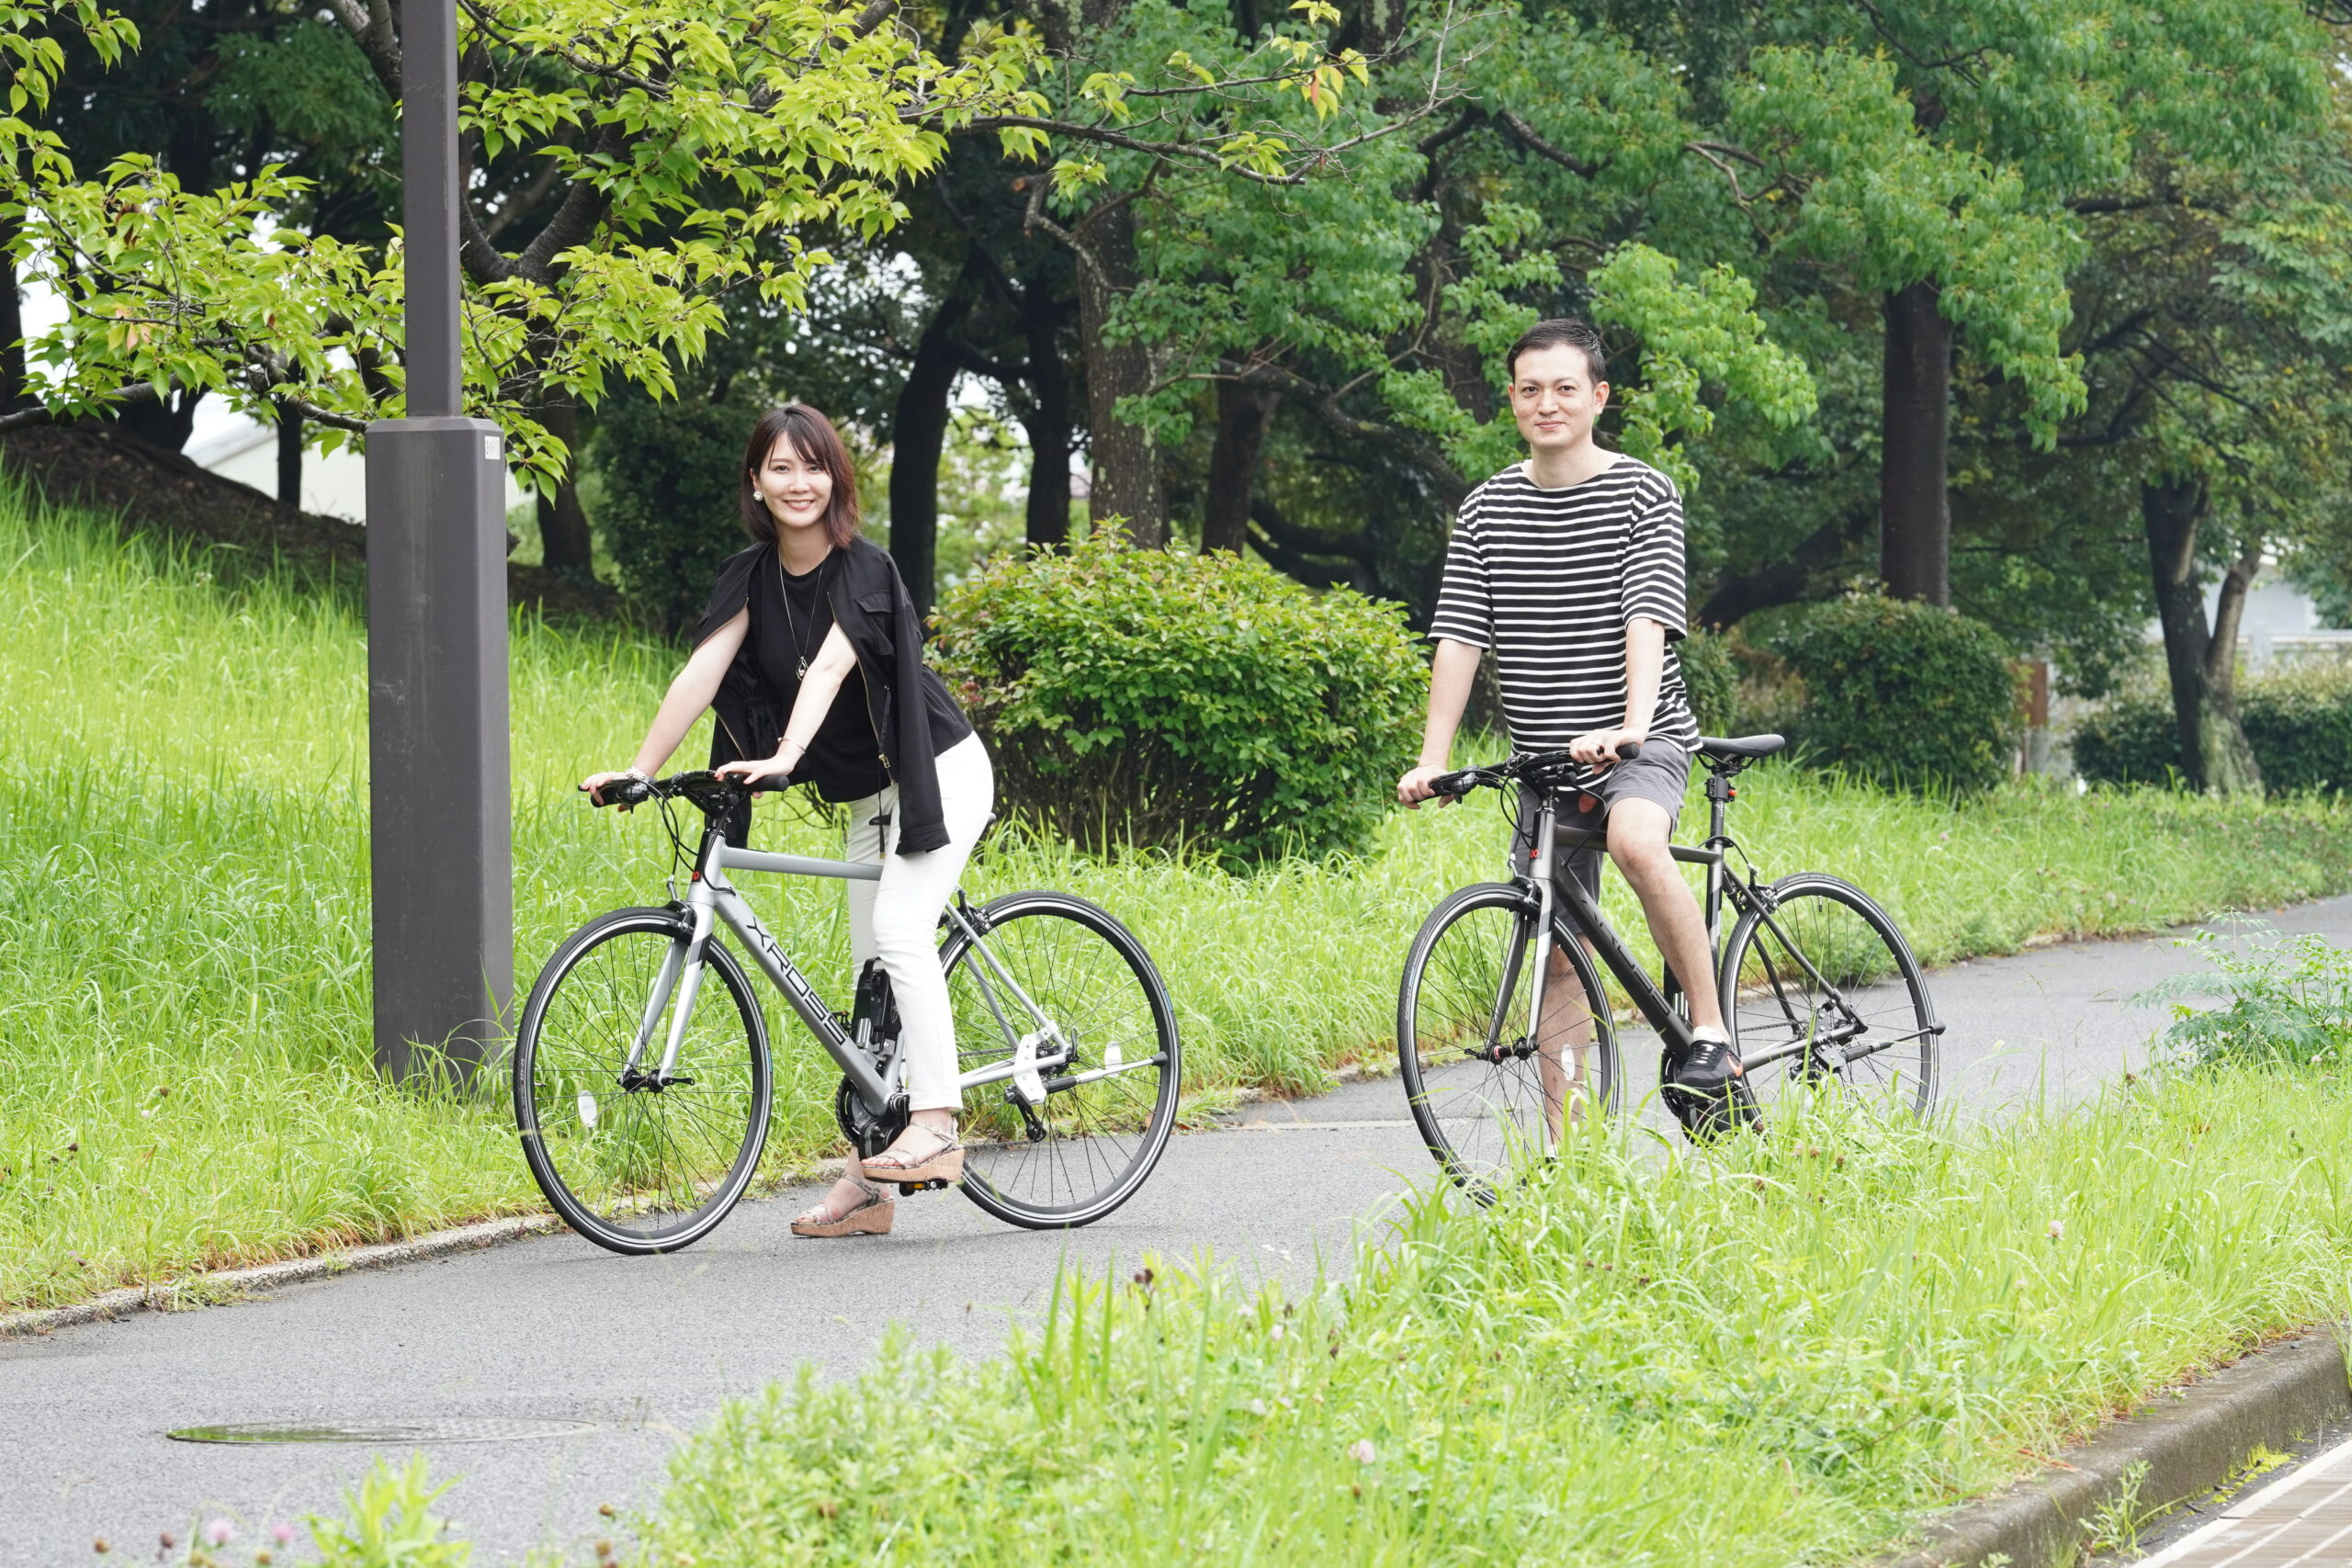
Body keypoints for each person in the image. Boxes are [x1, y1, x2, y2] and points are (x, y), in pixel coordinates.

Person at [582, 403, 994, 1238]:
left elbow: (836, 662)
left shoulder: (863, 568)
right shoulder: (750, 576)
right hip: (867, 799)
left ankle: (940, 1122)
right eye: (779, 467)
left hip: (936, 773)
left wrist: (786, 752)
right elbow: (704, 669)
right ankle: (872, 1189)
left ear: (834, 479)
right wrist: (642, 769)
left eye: (812, 466)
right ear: (755, 482)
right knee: (873, 984)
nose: (797, 482)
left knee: (904, 934)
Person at [1395, 319, 1739, 1128]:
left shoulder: (1644, 492)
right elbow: (1459, 636)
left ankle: (1714, 1032)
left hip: (1640, 740)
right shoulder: (1487, 508)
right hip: (1545, 761)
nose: (1546, 403)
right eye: (1529, 389)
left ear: (1598, 397)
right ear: (1512, 399)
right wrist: (1432, 758)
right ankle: (1569, 1157)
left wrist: (1630, 725)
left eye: (1564, 388)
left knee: (1636, 841)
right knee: (1553, 953)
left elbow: (1646, 617)